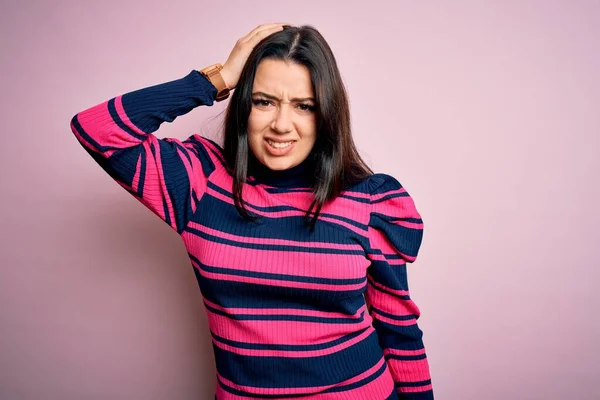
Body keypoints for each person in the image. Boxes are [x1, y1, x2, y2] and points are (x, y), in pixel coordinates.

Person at [70, 23, 433, 400]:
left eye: (304, 106)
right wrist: (217, 79)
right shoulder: (200, 183)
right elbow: (96, 129)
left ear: (326, 113)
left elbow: (399, 329)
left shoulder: (370, 200)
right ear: (244, 104)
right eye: (264, 101)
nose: (281, 124)